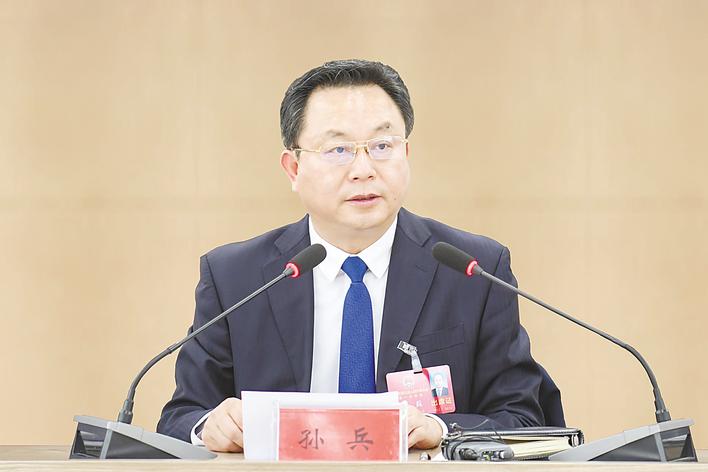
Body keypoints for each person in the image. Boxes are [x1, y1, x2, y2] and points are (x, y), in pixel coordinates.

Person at [157, 59, 561, 452]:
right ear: (293, 168)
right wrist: (209, 427)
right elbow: (181, 418)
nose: (363, 169)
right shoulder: (236, 278)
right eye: (338, 149)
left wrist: (440, 429)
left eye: (382, 146)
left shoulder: (472, 270)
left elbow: (524, 417)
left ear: (406, 154)